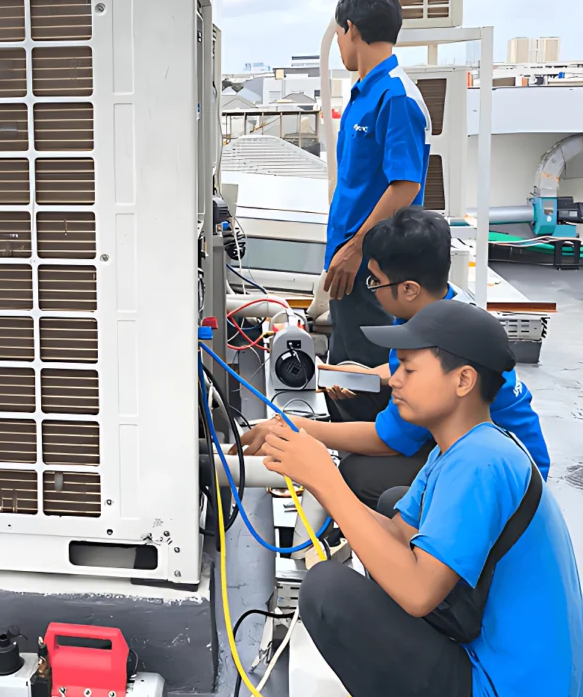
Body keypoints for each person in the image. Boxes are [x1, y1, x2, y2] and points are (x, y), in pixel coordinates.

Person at [260, 301, 583, 697]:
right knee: (392, 508)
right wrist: (313, 472)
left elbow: (415, 593)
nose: (394, 380)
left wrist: (325, 476)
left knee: (328, 591)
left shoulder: (480, 465)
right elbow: (394, 535)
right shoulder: (457, 449)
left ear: (463, 381)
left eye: (409, 368)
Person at [236, 207, 551, 507]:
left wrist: (295, 428)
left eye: (375, 281)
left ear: (410, 289)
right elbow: (401, 367)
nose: (372, 289)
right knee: (353, 404)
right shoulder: (442, 306)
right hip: (492, 447)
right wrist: (363, 374)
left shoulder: (436, 343)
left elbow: (389, 440)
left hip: (511, 480)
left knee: (358, 474)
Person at [324, 0, 432, 369]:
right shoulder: (363, 94)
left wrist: (354, 249)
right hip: (350, 264)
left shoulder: (395, 95)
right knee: (344, 375)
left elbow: (405, 185)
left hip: (373, 268)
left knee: (371, 379)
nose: (340, 44)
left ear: (351, 28)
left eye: (339, 35)